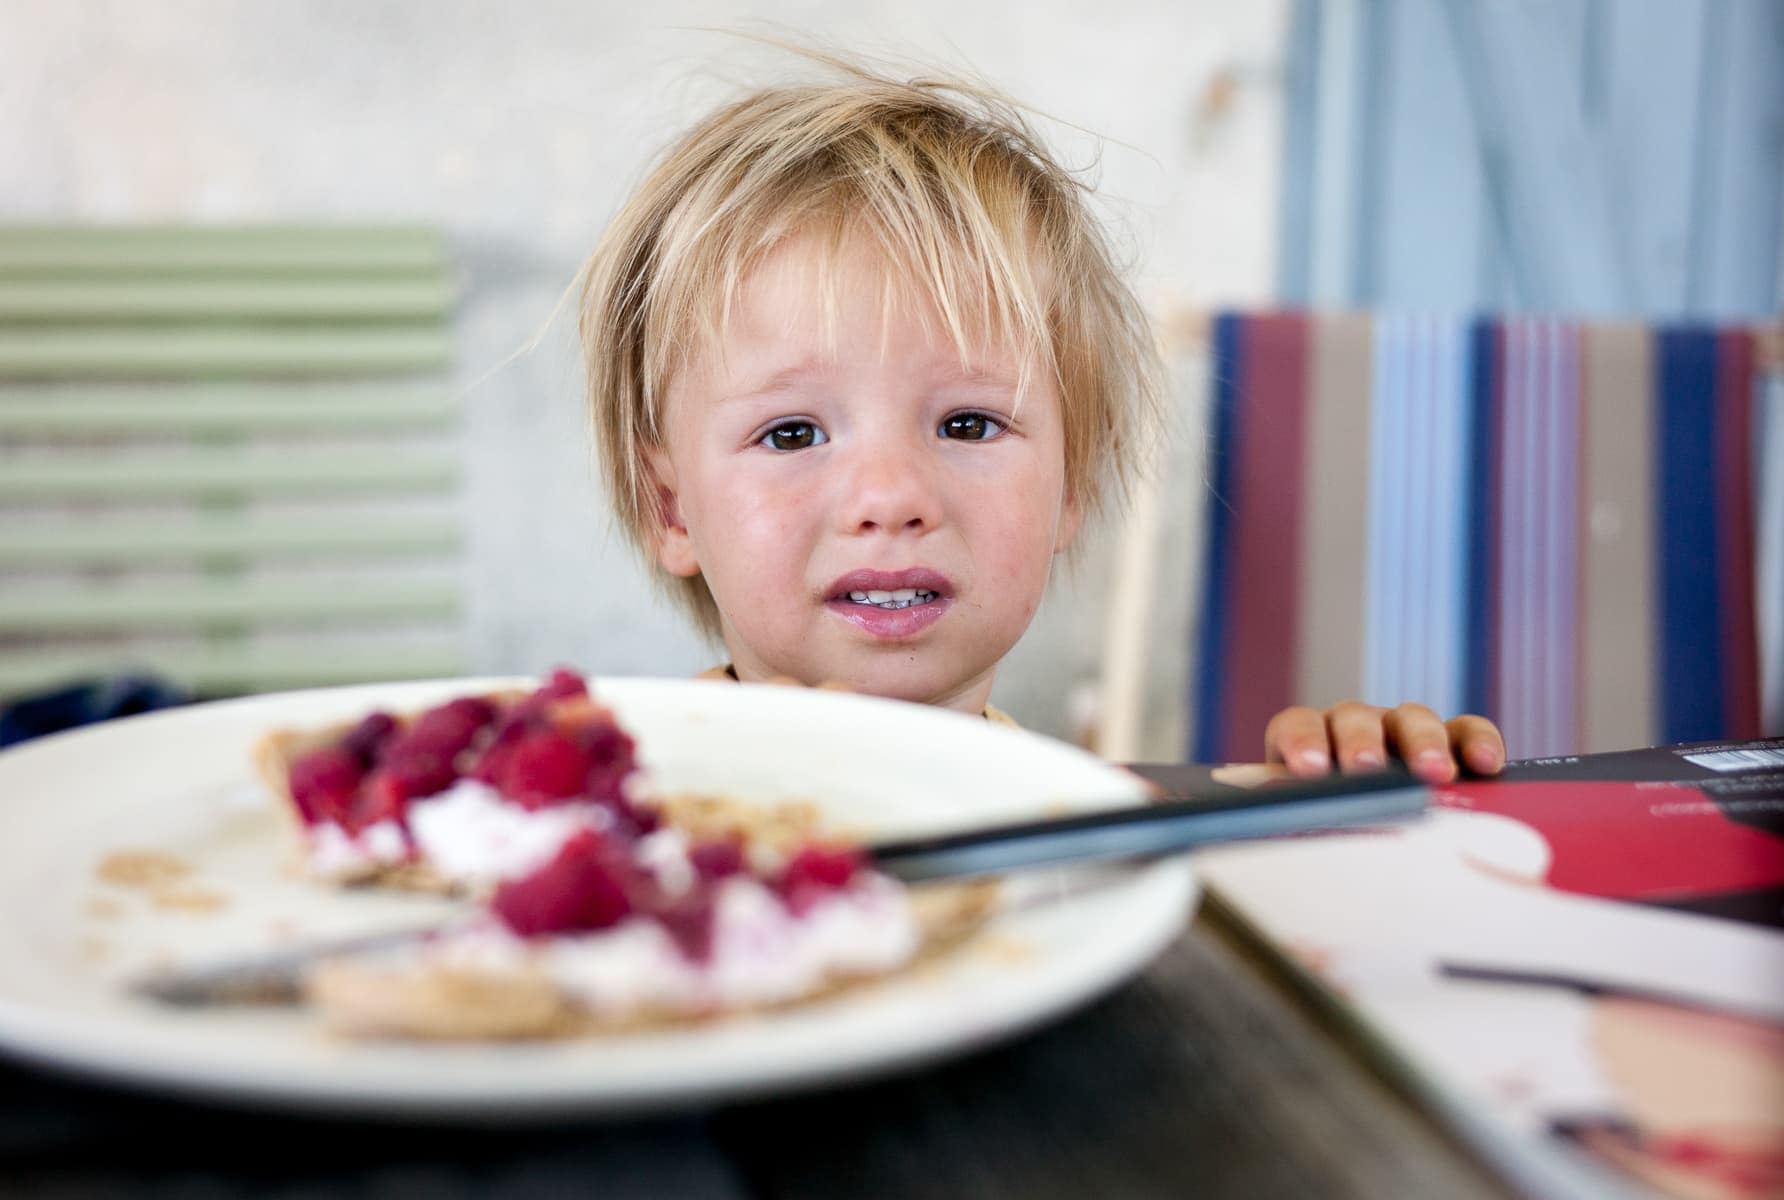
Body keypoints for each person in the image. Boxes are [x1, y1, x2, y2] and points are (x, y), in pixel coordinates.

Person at [577, 48, 1504, 784]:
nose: (892, 498)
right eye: (793, 433)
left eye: (970, 424)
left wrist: (1321, 809)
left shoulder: (1084, 824)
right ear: (672, 510)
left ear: (1073, 486)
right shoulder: (608, 811)